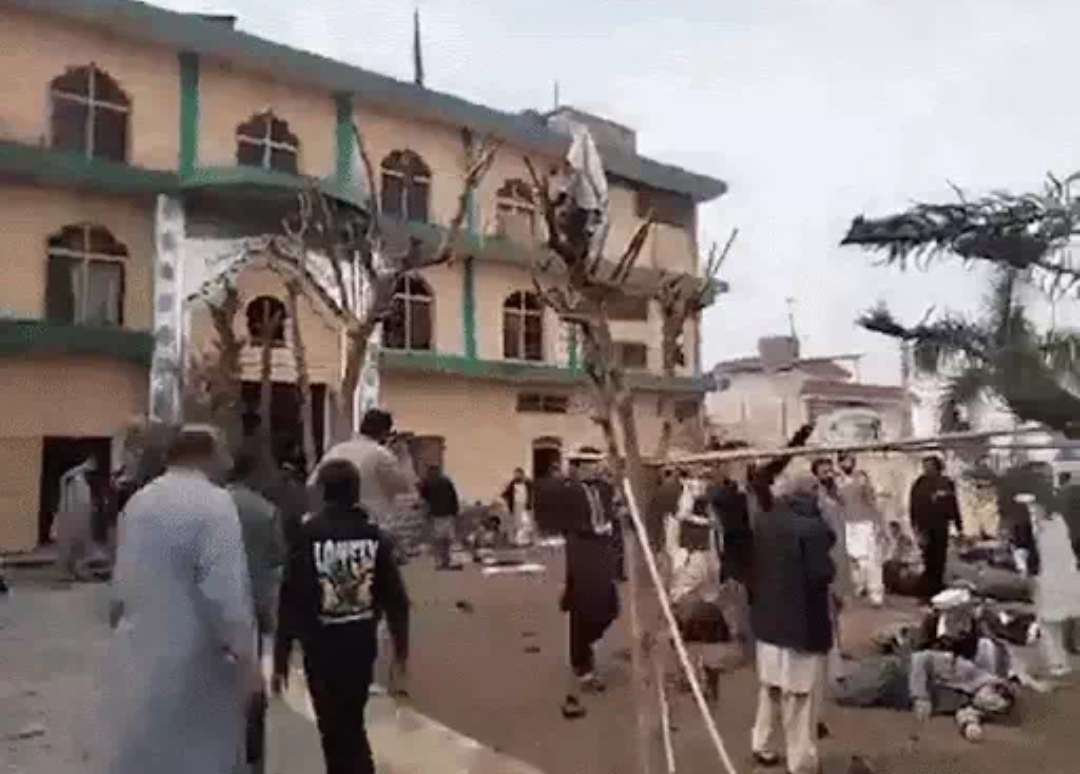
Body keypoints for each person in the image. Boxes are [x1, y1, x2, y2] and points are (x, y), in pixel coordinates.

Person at [94, 426, 256, 774]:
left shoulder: (140, 501)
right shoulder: (215, 504)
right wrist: (245, 655)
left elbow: (121, 584)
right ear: (207, 454)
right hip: (195, 660)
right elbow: (224, 593)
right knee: (198, 756)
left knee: (146, 754)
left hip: (138, 652)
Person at [273, 459, 410, 774]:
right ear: (356, 492)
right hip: (361, 643)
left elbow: (290, 597)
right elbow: (396, 599)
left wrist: (282, 655)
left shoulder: (308, 535)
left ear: (323, 491)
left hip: (320, 647)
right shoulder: (374, 537)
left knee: (332, 726)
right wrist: (401, 650)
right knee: (351, 720)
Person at [749, 476, 835, 774]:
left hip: (768, 619)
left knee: (770, 687)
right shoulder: (813, 528)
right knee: (799, 695)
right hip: (802, 624)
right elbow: (822, 573)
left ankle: (762, 743)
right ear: (812, 493)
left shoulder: (766, 519)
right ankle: (801, 761)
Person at [535, 456, 620, 720]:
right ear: (578, 467)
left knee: (609, 606)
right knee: (582, 605)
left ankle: (587, 642)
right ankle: (582, 665)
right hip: (580, 544)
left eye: (595, 464)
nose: (593, 469)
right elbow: (546, 505)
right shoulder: (568, 490)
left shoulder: (604, 488)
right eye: (587, 465)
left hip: (602, 546)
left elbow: (615, 507)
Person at [228, 449, 288, 774]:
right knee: (253, 694)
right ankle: (253, 763)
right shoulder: (266, 511)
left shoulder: (211, 504)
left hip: (211, 612)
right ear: (254, 472)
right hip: (253, 610)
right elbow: (277, 562)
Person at [313, 409, 417, 534]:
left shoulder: (335, 450)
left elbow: (312, 484)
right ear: (385, 432)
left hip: (332, 525)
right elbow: (404, 488)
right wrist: (403, 456)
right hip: (373, 524)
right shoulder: (381, 455)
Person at [910, 456, 963, 601]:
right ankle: (926, 593)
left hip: (941, 526)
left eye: (929, 466)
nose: (926, 469)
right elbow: (913, 506)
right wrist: (915, 527)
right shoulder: (919, 484)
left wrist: (959, 526)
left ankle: (937, 590)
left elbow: (953, 505)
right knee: (928, 559)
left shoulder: (946, 483)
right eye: (925, 466)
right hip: (925, 526)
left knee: (940, 560)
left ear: (937, 467)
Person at [836, 454, 886, 607]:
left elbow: (871, 501)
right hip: (847, 523)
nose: (846, 463)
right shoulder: (837, 481)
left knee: (871, 559)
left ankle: (875, 593)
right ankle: (858, 586)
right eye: (843, 460)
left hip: (865, 522)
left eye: (849, 460)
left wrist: (878, 523)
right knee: (853, 559)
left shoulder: (861, 479)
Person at [55, 456, 98, 582]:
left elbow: (84, 500)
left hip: (80, 517)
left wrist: (91, 508)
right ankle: (69, 572)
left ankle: (76, 571)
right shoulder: (73, 479)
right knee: (71, 546)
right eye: (90, 463)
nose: (93, 466)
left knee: (79, 546)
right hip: (72, 517)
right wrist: (83, 466)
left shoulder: (82, 480)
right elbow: (72, 499)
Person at [419, 465, 462, 570]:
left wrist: (425, 511)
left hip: (436, 514)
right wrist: (455, 511)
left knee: (438, 539)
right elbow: (454, 497)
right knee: (447, 538)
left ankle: (440, 562)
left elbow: (423, 497)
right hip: (448, 513)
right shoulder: (446, 481)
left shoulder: (428, 482)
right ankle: (447, 560)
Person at [502, 467, 536, 547]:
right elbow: (507, 492)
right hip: (516, 505)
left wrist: (531, 503)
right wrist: (504, 497)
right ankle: (516, 542)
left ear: (522, 474)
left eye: (517, 474)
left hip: (525, 505)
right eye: (515, 474)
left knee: (527, 523)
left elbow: (533, 491)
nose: (516, 476)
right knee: (517, 524)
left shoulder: (528, 482)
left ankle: (528, 541)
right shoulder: (513, 483)